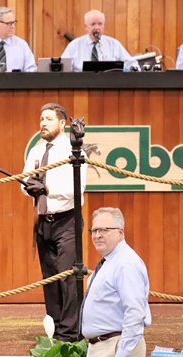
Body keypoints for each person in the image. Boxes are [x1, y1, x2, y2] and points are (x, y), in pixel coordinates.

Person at [21, 103, 87, 341]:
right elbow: (24, 181)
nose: (43, 123)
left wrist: (46, 188)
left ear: (62, 123)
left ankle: (71, 333)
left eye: (48, 119)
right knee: (50, 278)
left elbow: (77, 189)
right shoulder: (37, 151)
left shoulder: (75, 151)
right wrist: (29, 187)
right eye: (41, 119)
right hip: (43, 222)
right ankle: (59, 329)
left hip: (66, 221)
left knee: (67, 277)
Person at [81, 207, 151, 357]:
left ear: (120, 232)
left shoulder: (126, 263)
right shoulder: (111, 262)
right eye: (94, 231)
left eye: (104, 230)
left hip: (116, 346)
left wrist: (122, 353)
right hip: (104, 346)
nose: (97, 235)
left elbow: (135, 313)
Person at [61, 9, 138, 72]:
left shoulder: (113, 44)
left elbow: (132, 64)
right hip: (81, 87)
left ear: (103, 26)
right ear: (86, 27)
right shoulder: (74, 45)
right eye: (93, 24)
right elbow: (62, 68)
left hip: (109, 86)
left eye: (100, 24)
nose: (97, 27)